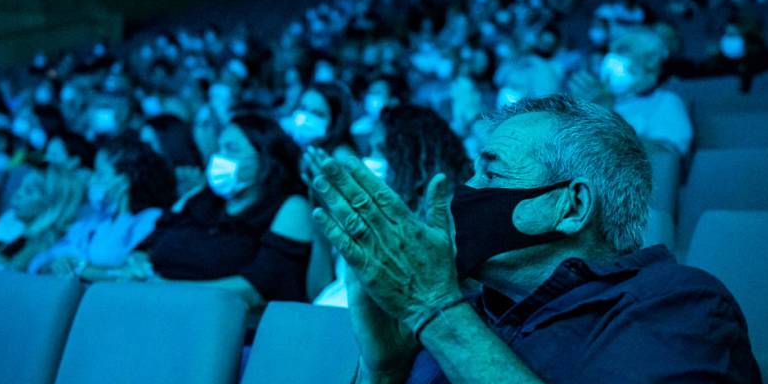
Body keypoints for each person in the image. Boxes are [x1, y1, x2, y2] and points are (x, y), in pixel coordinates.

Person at [308, 94, 766, 384]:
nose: (466, 193)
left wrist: (437, 311)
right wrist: (381, 369)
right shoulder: (469, 310)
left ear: (571, 207)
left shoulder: (678, 304)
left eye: (492, 174)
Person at [143, 112, 313, 307]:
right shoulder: (200, 198)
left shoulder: (291, 207)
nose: (220, 158)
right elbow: (150, 243)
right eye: (219, 149)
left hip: (217, 320)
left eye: (231, 150)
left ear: (264, 157)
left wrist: (170, 291)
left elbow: (259, 288)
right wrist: (137, 263)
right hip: (156, 304)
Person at [315, 104, 472, 307]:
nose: (370, 160)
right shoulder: (368, 207)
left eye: (381, 150)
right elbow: (321, 288)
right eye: (369, 149)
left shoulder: (445, 213)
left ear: (411, 157)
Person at [30, 137, 176, 278]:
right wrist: (52, 266)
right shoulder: (98, 218)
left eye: (100, 174)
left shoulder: (150, 220)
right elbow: (45, 258)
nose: (92, 179)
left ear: (124, 181)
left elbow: (133, 271)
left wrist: (82, 268)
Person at [569, 27, 693, 156]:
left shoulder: (666, 102)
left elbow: (666, 159)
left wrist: (607, 115)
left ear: (651, 59)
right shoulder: (597, 99)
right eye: (610, 51)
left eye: (622, 50)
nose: (611, 58)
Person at [0, 165, 85, 272]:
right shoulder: (24, 232)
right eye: (21, 187)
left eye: (28, 191)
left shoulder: (44, 240)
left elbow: (9, 271)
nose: (17, 194)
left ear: (51, 205)